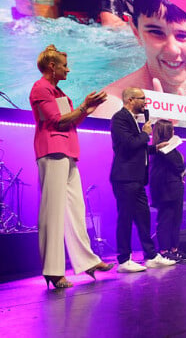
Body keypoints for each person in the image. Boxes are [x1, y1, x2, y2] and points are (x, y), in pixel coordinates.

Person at [29, 44, 113, 289]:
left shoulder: (58, 92)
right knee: (53, 212)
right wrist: (83, 107)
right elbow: (56, 120)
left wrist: (86, 109)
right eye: (65, 65)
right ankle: (53, 271)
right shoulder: (40, 88)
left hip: (67, 151)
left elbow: (69, 121)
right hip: (51, 149)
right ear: (52, 67)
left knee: (75, 209)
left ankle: (87, 260)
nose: (68, 69)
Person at [110, 87, 176, 272]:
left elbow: (138, 149)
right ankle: (123, 260)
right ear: (130, 100)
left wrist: (154, 148)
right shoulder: (120, 118)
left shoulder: (132, 119)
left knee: (143, 218)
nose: (145, 102)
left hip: (137, 178)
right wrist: (145, 134)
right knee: (125, 217)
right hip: (125, 177)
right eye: (142, 98)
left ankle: (151, 256)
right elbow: (127, 145)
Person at [149, 119, 186, 262]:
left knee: (176, 219)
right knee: (166, 219)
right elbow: (178, 164)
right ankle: (164, 250)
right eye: (171, 129)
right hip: (165, 188)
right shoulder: (161, 147)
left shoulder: (171, 148)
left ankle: (175, 248)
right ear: (165, 132)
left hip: (175, 187)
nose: (174, 132)